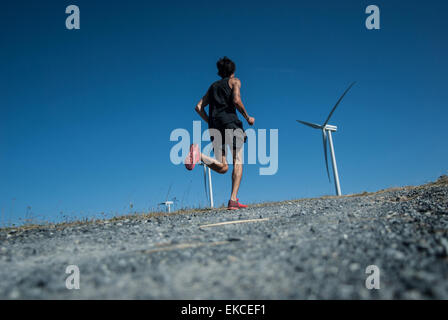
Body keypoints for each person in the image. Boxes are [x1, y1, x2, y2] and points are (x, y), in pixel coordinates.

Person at [184, 57, 255, 210]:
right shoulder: (235, 81)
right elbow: (236, 100)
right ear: (233, 71)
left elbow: (198, 107)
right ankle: (233, 200)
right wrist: (247, 117)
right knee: (238, 161)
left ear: (219, 72)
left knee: (223, 167)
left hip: (215, 126)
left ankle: (199, 155)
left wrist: (209, 120)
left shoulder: (213, 87)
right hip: (230, 123)